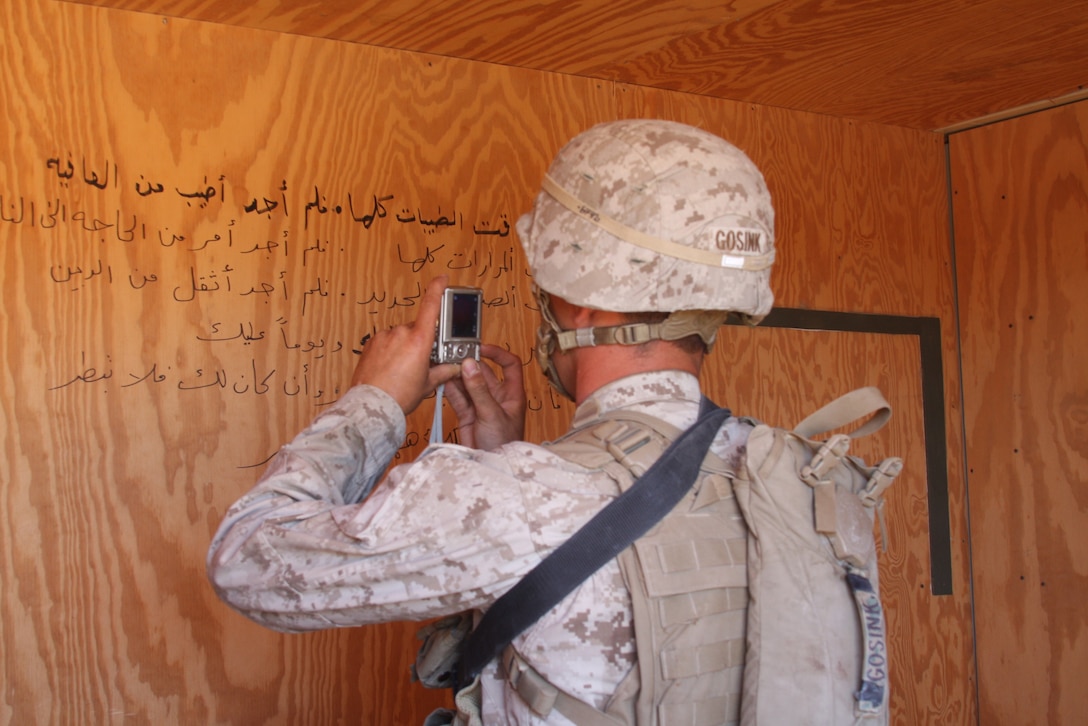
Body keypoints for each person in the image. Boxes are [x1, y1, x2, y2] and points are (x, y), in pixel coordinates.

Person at [207, 118, 776, 725]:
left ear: (580, 300)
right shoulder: (805, 479)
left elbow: (245, 560)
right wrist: (506, 458)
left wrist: (373, 401)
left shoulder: (522, 501)